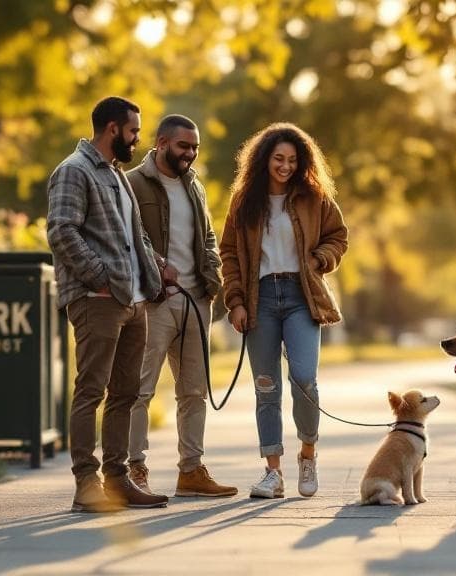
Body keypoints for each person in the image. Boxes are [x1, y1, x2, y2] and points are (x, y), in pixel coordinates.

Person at [47, 96, 172, 512]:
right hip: (97, 299)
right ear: (113, 129)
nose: (138, 139)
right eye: (134, 131)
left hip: (133, 300)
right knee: (91, 390)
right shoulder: (73, 171)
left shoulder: (117, 176)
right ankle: (87, 484)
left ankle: (117, 481)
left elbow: (132, 234)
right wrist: (100, 278)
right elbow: (62, 232)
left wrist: (153, 267)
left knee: (125, 393)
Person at [219, 122, 348, 498]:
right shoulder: (244, 201)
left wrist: (321, 258)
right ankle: (272, 472)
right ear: (264, 160)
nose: (286, 166)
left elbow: (338, 236)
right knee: (266, 387)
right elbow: (228, 253)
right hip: (259, 298)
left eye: (293, 159)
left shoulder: (314, 196)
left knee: (304, 380)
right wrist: (236, 301)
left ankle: (307, 454)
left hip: (300, 295)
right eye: (278, 158)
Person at [124, 114, 237, 498]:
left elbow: (207, 234)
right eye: (182, 146)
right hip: (154, 303)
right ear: (160, 143)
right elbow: (129, 236)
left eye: (194, 147)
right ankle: (134, 469)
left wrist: (213, 277)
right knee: (140, 389)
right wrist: (158, 266)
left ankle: (191, 471)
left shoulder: (195, 186)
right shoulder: (132, 184)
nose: (189, 153)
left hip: (196, 301)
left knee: (194, 392)